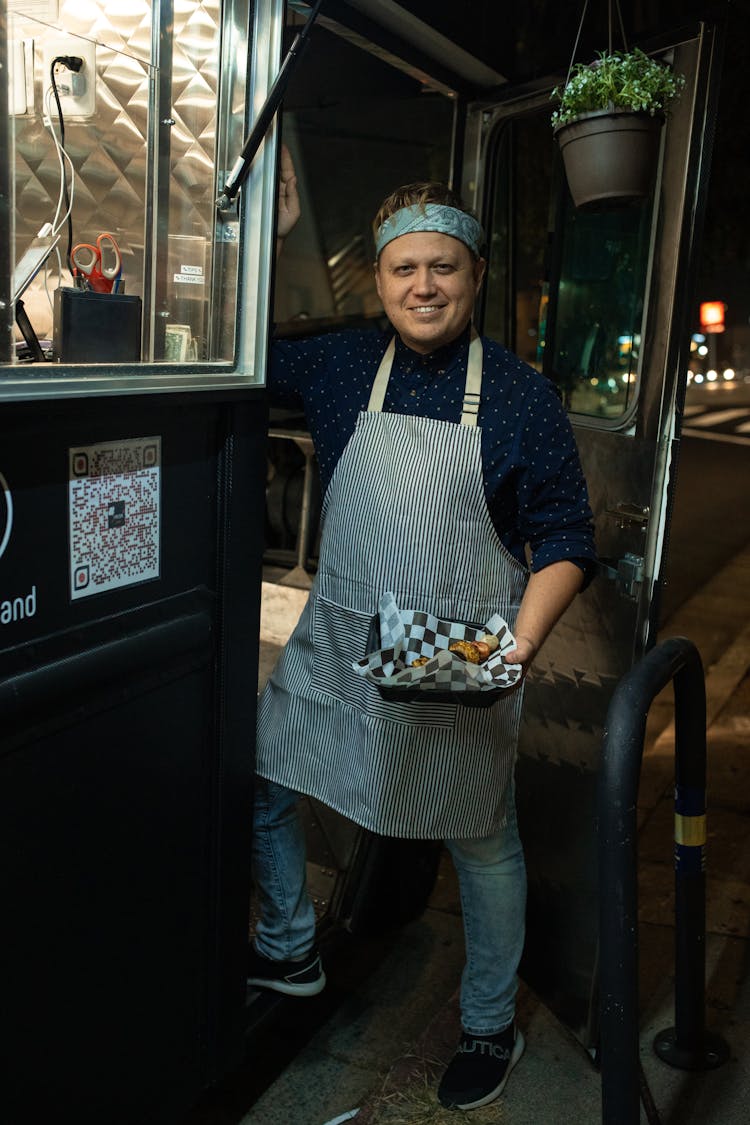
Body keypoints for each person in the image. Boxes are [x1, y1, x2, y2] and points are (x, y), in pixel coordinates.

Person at [248, 145, 596, 1112]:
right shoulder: (343, 362)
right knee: (266, 779)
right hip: (337, 643)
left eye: (444, 266)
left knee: (482, 842)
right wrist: (272, 242)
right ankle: (288, 951)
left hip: (450, 647)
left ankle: (489, 1021)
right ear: (382, 278)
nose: (424, 285)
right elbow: (241, 354)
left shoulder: (521, 396)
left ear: (476, 276)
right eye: (405, 268)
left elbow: (565, 536)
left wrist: (516, 645)